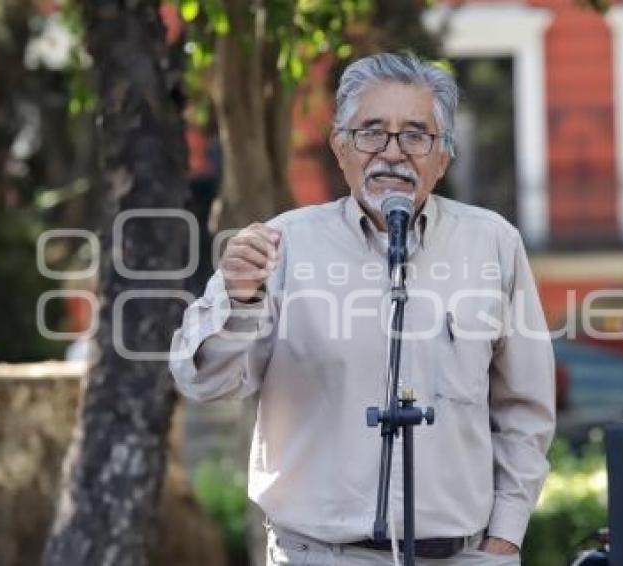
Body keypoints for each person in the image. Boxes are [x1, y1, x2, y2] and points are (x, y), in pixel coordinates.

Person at [170, 52, 555, 565]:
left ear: (443, 157)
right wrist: (241, 300)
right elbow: (202, 382)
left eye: (416, 134)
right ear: (341, 148)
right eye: (371, 132)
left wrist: (503, 538)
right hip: (320, 555)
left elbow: (525, 411)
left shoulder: (493, 245)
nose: (391, 153)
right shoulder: (282, 246)